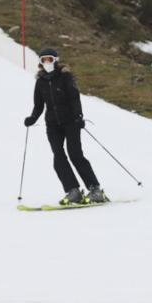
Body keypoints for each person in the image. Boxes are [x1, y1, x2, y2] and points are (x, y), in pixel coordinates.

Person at [23, 47, 108, 206]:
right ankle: (73, 191)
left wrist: (79, 117)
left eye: (49, 59)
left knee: (75, 154)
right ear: (40, 63)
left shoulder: (65, 77)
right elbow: (39, 105)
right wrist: (32, 118)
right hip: (52, 124)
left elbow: (74, 98)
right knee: (58, 157)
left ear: (56, 60)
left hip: (71, 122)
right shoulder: (40, 82)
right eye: (43, 60)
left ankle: (95, 189)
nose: (47, 62)